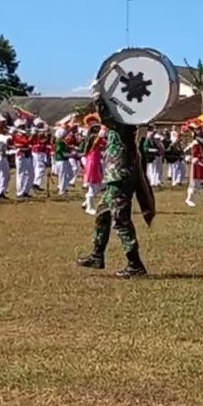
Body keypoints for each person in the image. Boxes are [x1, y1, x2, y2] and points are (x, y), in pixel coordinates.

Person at [77, 95, 156, 277]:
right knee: (102, 214)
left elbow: (105, 117)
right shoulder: (124, 124)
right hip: (116, 176)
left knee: (121, 220)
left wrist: (99, 99)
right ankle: (97, 255)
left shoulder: (123, 124)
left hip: (120, 176)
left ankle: (135, 264)